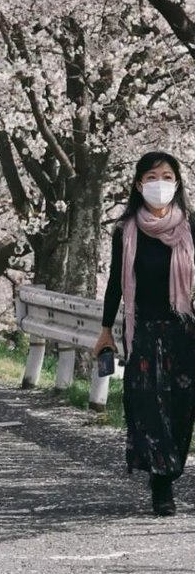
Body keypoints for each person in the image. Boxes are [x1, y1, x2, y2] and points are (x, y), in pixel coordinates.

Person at [94, 151, 195, 517]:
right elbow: (116, 284)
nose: (160, 184)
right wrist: (105, 330)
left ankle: (171, 468)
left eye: (167, 176)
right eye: (152, 176)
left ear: (178, 183)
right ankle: (161, 484)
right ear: (139, 184)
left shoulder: (190, 228)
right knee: (149, 406)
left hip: (184, 332)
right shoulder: (127, 231)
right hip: (145, 332)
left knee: (181, 410)